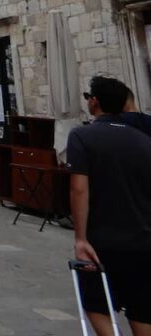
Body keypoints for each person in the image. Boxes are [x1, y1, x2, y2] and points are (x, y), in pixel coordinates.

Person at [66, 75, 151, 336]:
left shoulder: (82, 136)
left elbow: (79, 188)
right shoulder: (144, 140)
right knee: (142, 308)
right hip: (144, 238)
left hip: (101, 240)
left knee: (96, 302)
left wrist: (80, 237)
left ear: (94, 102)